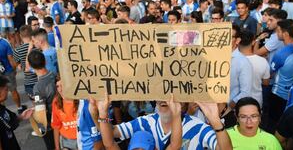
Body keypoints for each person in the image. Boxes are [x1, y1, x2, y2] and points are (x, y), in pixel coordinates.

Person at [90, 93, 232, 150]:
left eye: (171, 93)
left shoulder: (199, 128)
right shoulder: (144, 122)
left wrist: (216, 122)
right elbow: (111, 135)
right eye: (161, 92)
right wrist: (99, 114)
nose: (165, 98)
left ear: (183, 101)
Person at [268, 19, 293, 133]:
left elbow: (270, 73)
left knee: (274, 125)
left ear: (285, 34)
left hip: (279, 95)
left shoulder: (281, 54)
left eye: (278, 31)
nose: (277, 34)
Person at [28, 50, 57, 150]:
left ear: (31, 66)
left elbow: (41, 112)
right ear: (45, 61)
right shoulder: (55, 75)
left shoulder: (38, 87)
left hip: (50, 123)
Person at [0, 75, 34, 150]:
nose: (7, 91)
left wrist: (22, 117)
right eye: (6, 89)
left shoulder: (2, 108)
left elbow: (9, 122)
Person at [238, 29, 270, 107]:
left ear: (237, 41)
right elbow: (266, 83)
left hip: (235, 103)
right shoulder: (263, 61)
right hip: (256, 102)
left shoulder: (230, 60)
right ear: (253, 42)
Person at [0, 34, 27, 113]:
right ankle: (19, 108)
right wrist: (14, 70)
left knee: (0, 93)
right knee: (13, 91)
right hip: (8, 71)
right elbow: (11, 59)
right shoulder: (5, 43)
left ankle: (3, 111)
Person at [230, 24, 254, 108]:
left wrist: (227, 108)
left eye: (229, 36)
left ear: (237, 40)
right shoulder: (213, 57)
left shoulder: (243, 62)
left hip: (228, 113)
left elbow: (245, 93)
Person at [51, 80, 78, 150]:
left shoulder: (82, 100)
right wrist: (57, 147)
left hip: (85, 140)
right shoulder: (56, 102)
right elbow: (56, 126)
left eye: (63, 86)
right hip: (67, 143)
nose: (60, 89)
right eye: (57, 86)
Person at [13, 25, 38, 99]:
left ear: (20, 35)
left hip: (29, 81)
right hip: (39, 78)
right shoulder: (37, 47)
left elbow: (17, 65)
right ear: (31, 34)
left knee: (36, 106)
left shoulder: (17, 50)